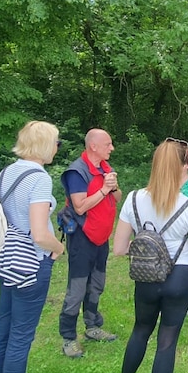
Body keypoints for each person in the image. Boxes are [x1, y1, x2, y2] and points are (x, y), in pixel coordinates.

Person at [107, 140, 188, 373]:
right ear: (182, 167)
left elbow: (118, 248)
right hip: (181, 277)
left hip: (146, 277)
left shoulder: (133, 199)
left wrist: (147, 248)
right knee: (167, 341)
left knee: (141, 329)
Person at [0, 121, 66, 373]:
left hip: (5, 261)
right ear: (45, 146)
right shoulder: (39, 179)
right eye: (56, 142)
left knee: (4, 330)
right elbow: (38, 232)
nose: (58, 147)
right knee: (21, 336)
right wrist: (57, 249)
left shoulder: (7, 172)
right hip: (30, 265)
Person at [59, 128, 120, 358]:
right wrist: (104, 189)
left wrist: (113, 188)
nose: (111, 148)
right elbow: (80, 206)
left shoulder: (105, 169)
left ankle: (93, 327)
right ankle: (68, 338)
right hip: (82, 239)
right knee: (77, 289)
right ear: (93, 146)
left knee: (96, 284)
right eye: (108, 144)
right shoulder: (77, 172)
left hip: (101, 239)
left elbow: (117, 197)